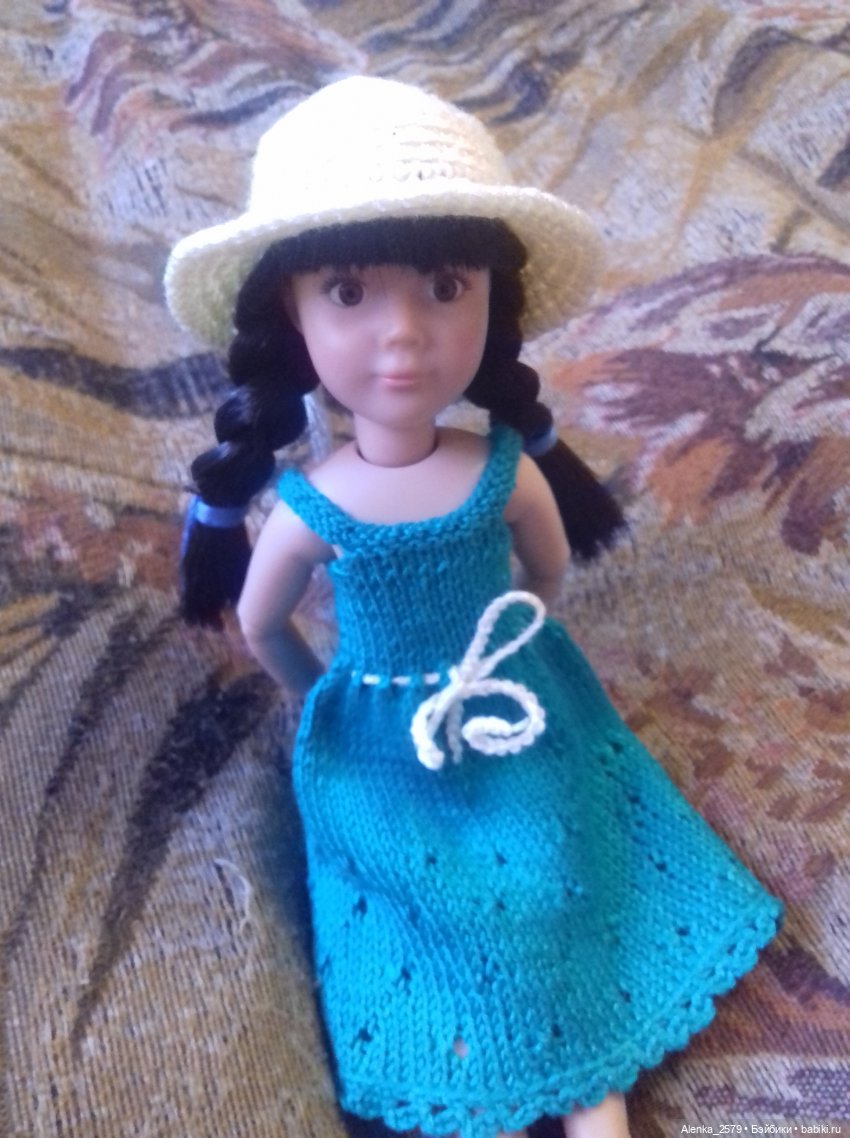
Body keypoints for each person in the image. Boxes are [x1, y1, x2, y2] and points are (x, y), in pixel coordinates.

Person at [165, 76, 782, 1138]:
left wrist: (506, 653)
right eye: (348, 292)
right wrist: (331, 698)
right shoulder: (313, 509)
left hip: (516, 709)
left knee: (554, 865)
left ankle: (589, 1076)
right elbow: (265, 624)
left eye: (445, 285)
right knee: (418, 901)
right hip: (381, 750)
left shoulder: (503, 472)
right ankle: (512, 1072)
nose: (404, 334)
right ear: (291, 316)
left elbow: (544, 574)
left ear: (491, 302)